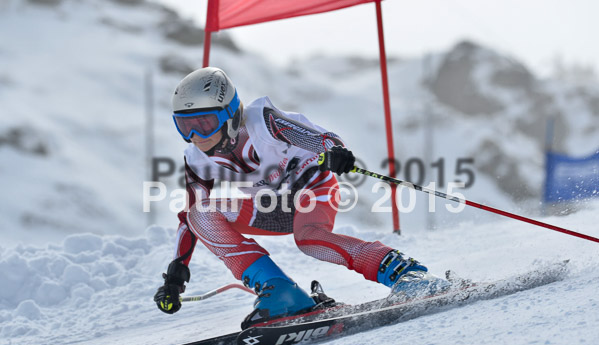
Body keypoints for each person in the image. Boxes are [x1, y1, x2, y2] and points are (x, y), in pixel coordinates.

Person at [154, 67, 448, 327]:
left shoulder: (264, 122)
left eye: (204, 123)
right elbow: (190, 214)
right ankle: (279, 291)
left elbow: (318, 138)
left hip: (314, 190)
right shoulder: (196, 158)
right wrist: (176, 271)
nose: (196, 135)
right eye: (185, 126)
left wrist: (334, 151)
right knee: (199, 215)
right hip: (269, 209)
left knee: (310, 239)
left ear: (230, 115)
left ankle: (405, 273)